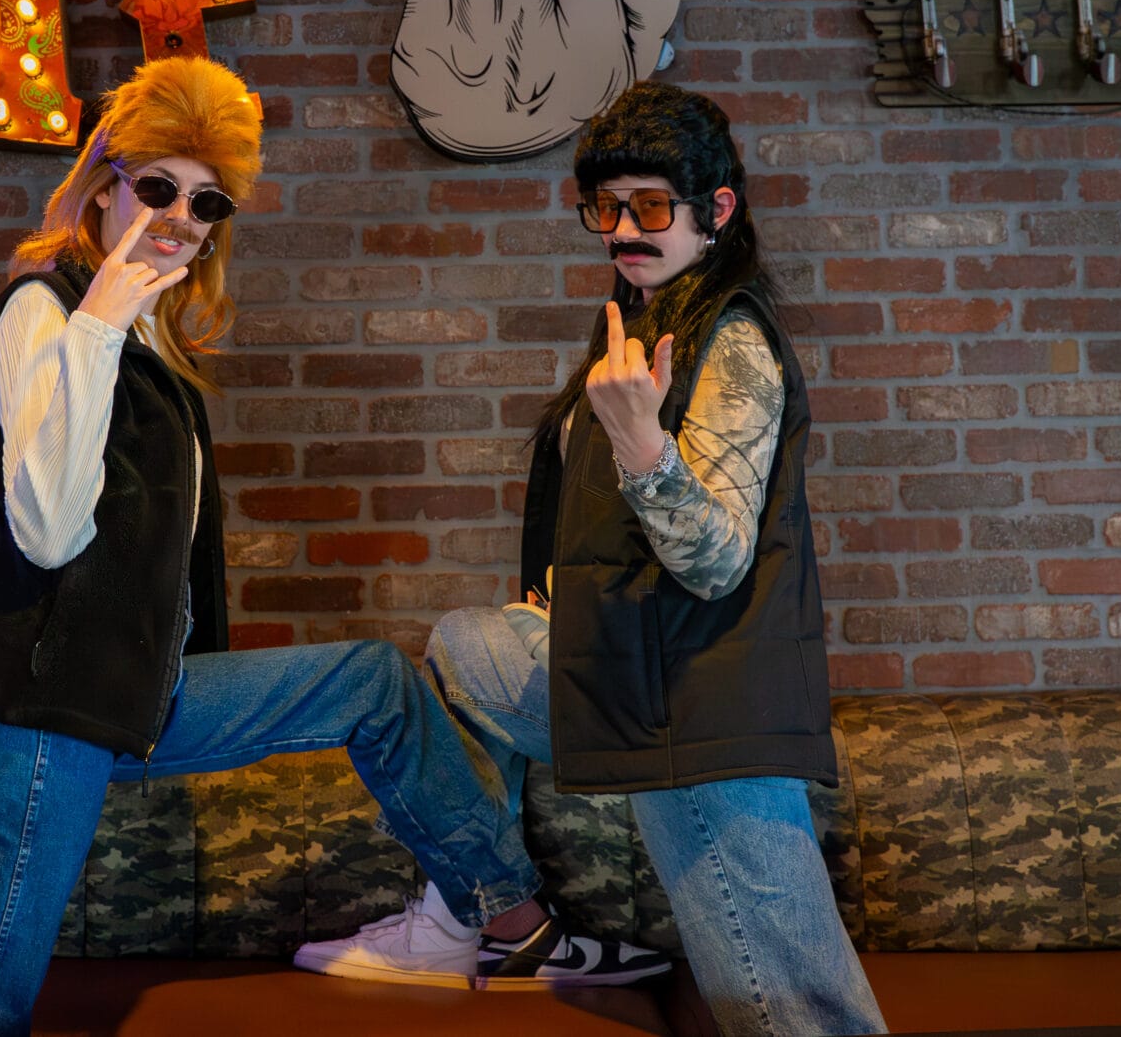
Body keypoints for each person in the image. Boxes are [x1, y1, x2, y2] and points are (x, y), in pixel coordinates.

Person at [0, 56, 654, 1037]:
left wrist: (120, 326)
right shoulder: (44, 312)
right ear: (102, 187)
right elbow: (45, 530)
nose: (180, 216)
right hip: (42, 709)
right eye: (158, 187)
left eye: (206, 201)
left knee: (374, 682)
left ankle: (511, 925)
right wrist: (96, 324)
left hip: (137, 693)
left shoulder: (150, 342)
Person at [295, 81, 886, 1037]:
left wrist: (643, 447)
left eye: (650, 206)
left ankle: (474, 919)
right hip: (632, 674)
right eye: (605, 208)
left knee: (796, 1016)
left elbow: (717, 562)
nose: (622, 230)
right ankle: (481, 913)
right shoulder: (640, 319)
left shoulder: (731, 339)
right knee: (467, 645)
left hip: (702, 710)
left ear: (716, 209)